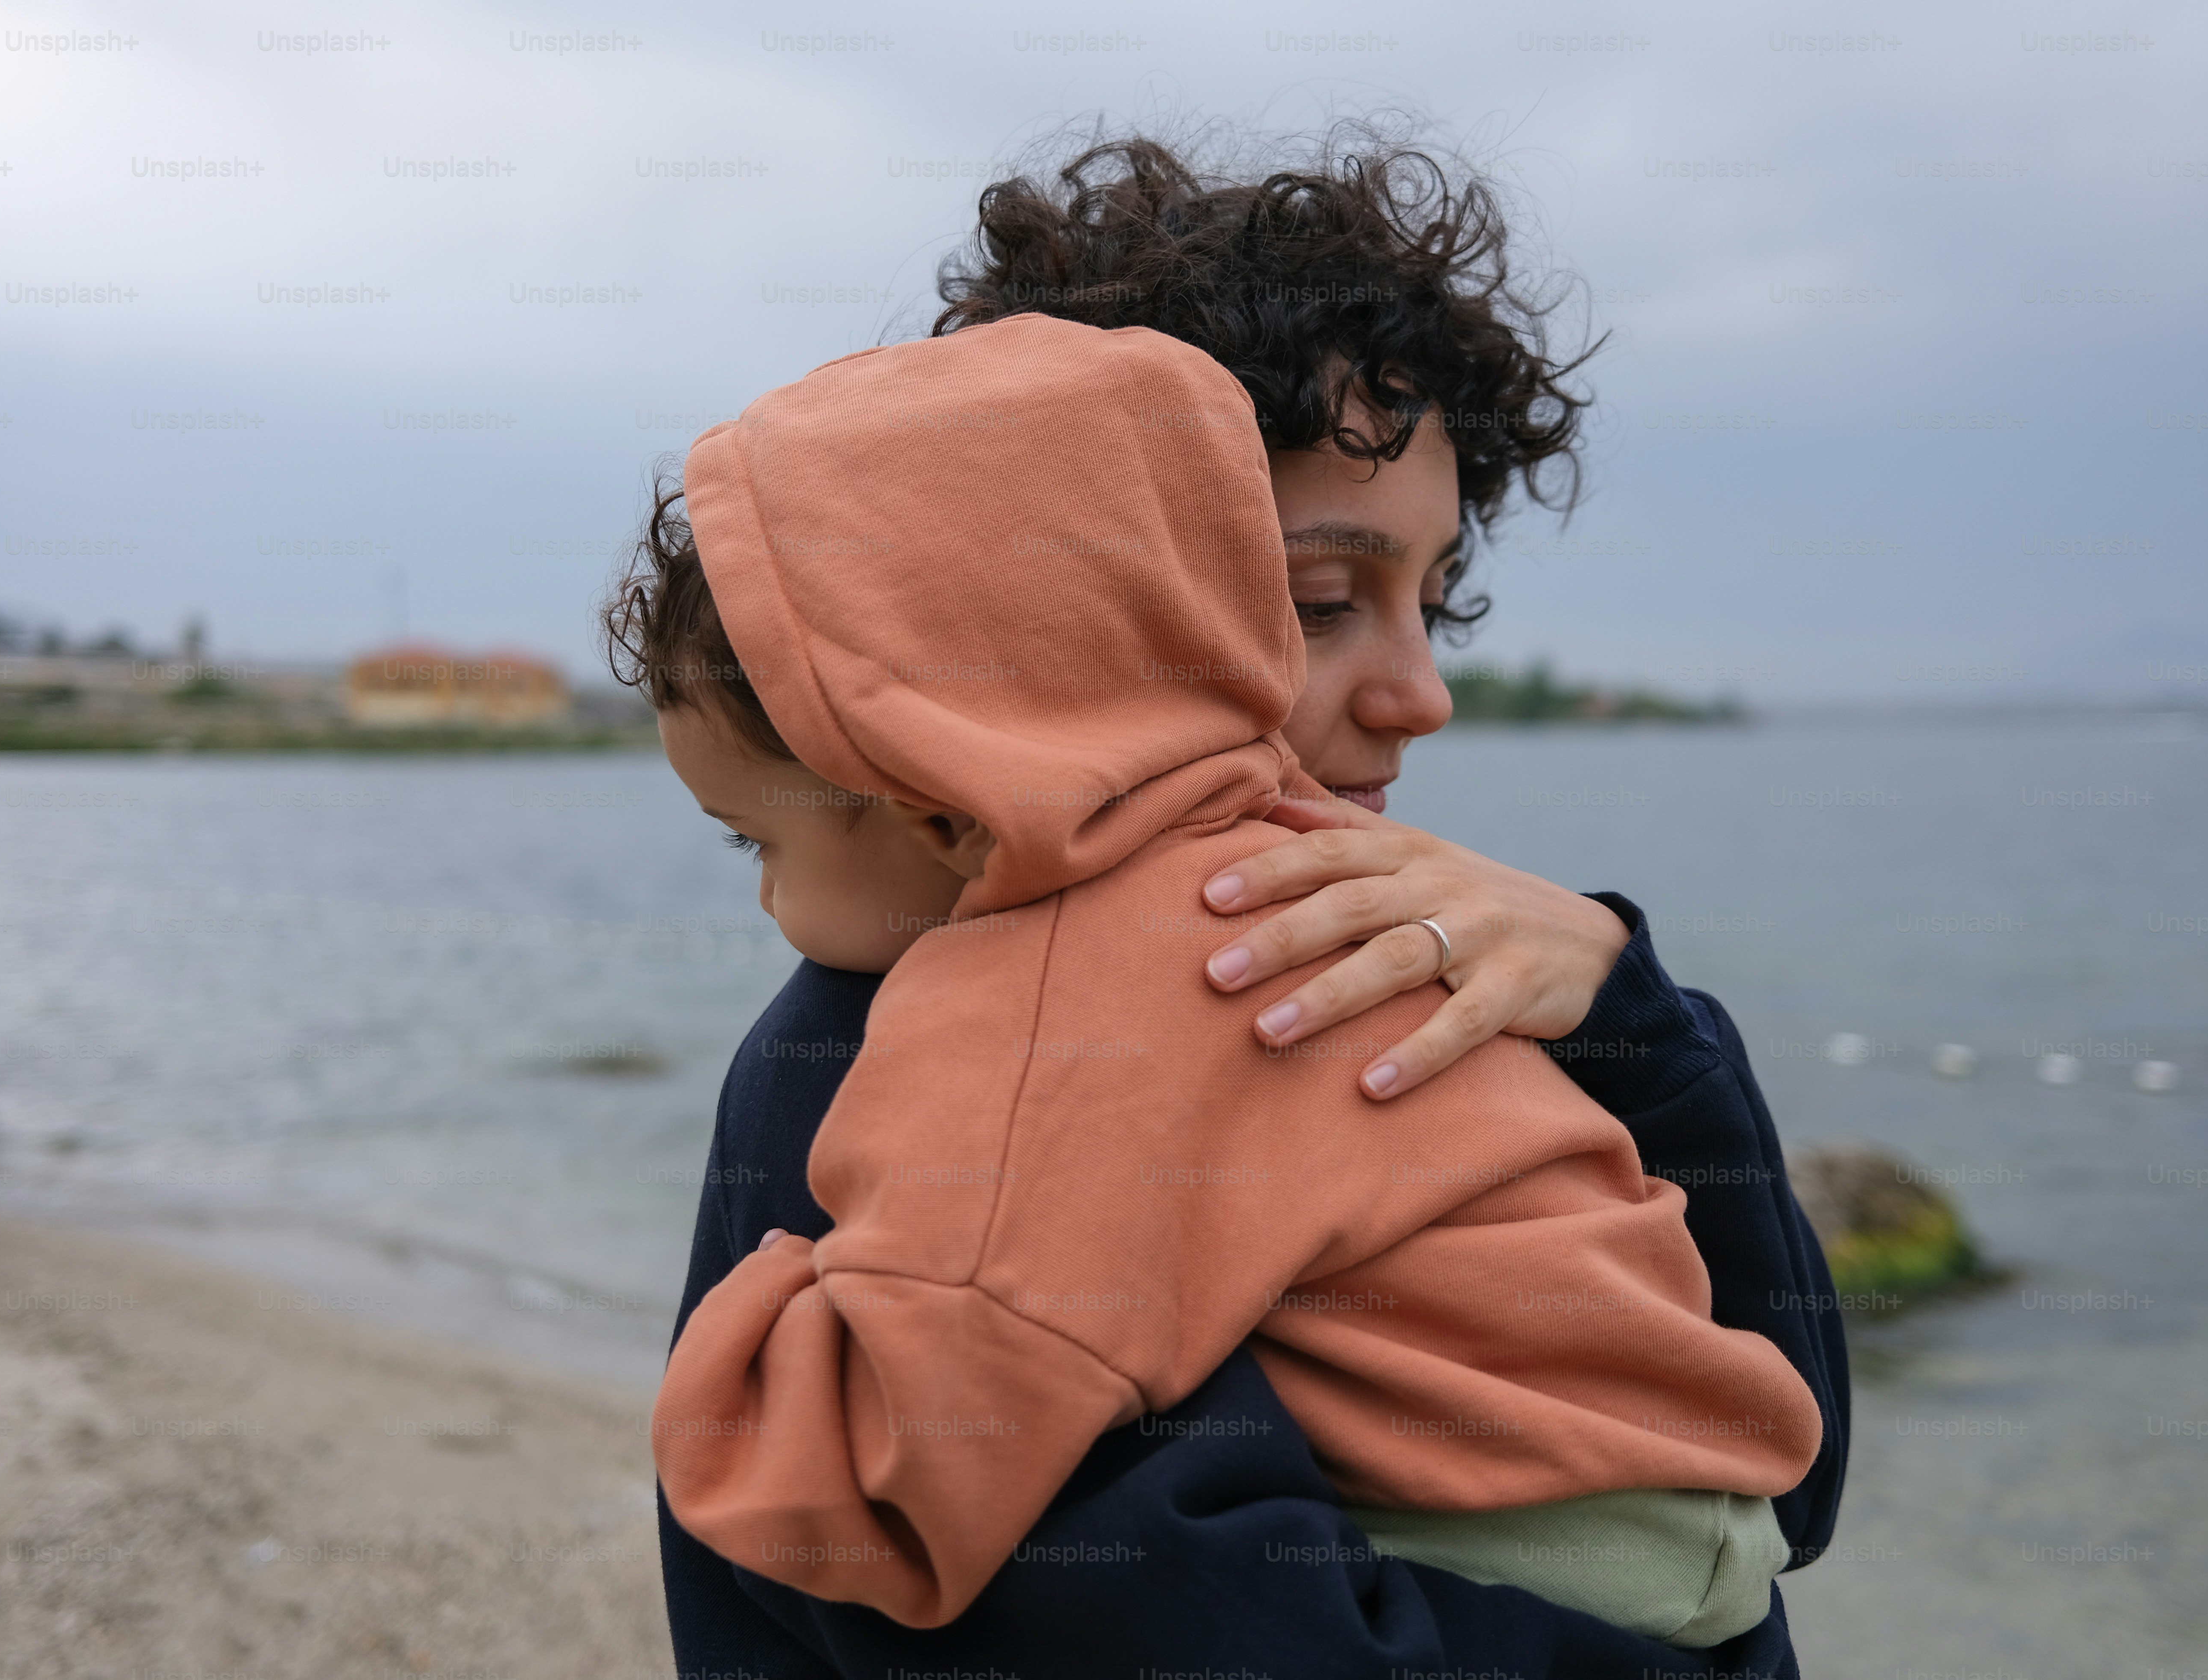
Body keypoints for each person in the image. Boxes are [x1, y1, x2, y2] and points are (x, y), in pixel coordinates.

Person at [617, 127, 1849, 1677]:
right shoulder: (931, 1054)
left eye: (1436, 593)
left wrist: (1629, 1006)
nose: (1423, 694)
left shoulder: (1408, 953)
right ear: (1047, 624)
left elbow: (1782, 1467)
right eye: (1322, 603)